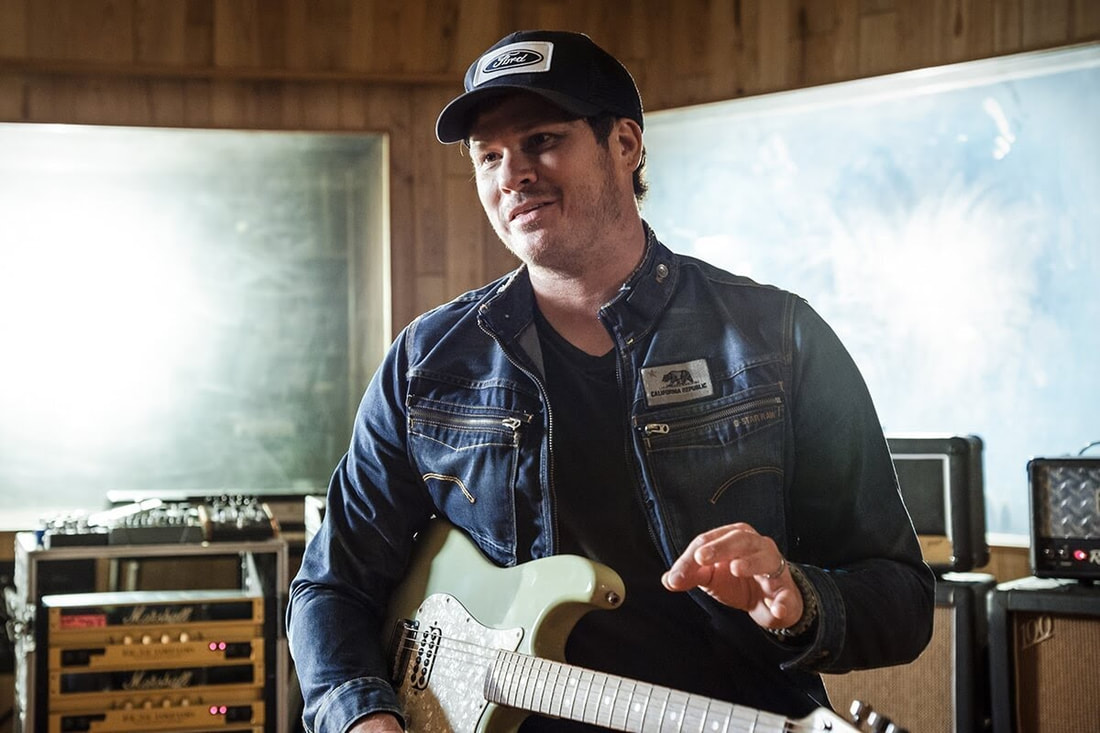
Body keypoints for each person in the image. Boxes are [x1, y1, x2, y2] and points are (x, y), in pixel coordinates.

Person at [287, 29, 935, 733]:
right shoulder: (427, 361)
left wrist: (797, 598)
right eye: (489, 156)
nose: (512, 175)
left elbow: (902, 600)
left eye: (541, 140)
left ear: (625, 144)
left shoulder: (780, 338)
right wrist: (363, 716)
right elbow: (332, 586)